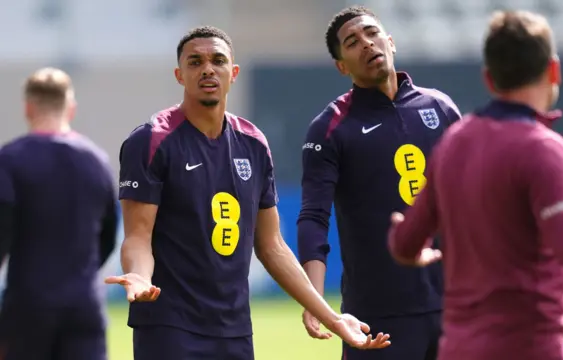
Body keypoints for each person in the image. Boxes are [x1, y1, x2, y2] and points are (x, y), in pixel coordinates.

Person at [104, 26, 390, 360]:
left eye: (218, 60)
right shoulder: (151, 140)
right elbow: (138, 236)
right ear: (180, 75)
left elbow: (272, 246)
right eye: (195, 62)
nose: (207, 68)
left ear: (233, 72)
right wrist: (139, 276)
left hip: (234, 330)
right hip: (169, 328)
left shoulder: (253, 143)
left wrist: (332, 317)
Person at [387, 10, 563, 360]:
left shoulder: (454, 142)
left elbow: (404, 243)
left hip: (458, 350)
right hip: (528, 348)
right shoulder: (542, 148)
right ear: (554, 70)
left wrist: (406, 243)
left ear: (489, 79)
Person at [297, 6, 461, 360]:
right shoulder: (329, 129)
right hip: (378, 319)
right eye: (352, 42)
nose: (367, 44)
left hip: (456, 307)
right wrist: (313, 296)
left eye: (372, 34)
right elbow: (313, 217)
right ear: (342, 66)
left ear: (391, 41)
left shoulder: (442, 108)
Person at [0, 67, 118, 360]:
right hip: (84, 305)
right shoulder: (97, 161)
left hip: (28, 305)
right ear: (71, 108)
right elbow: (108, 236)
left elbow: (2, 229)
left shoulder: (10, 160)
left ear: (28, 108)